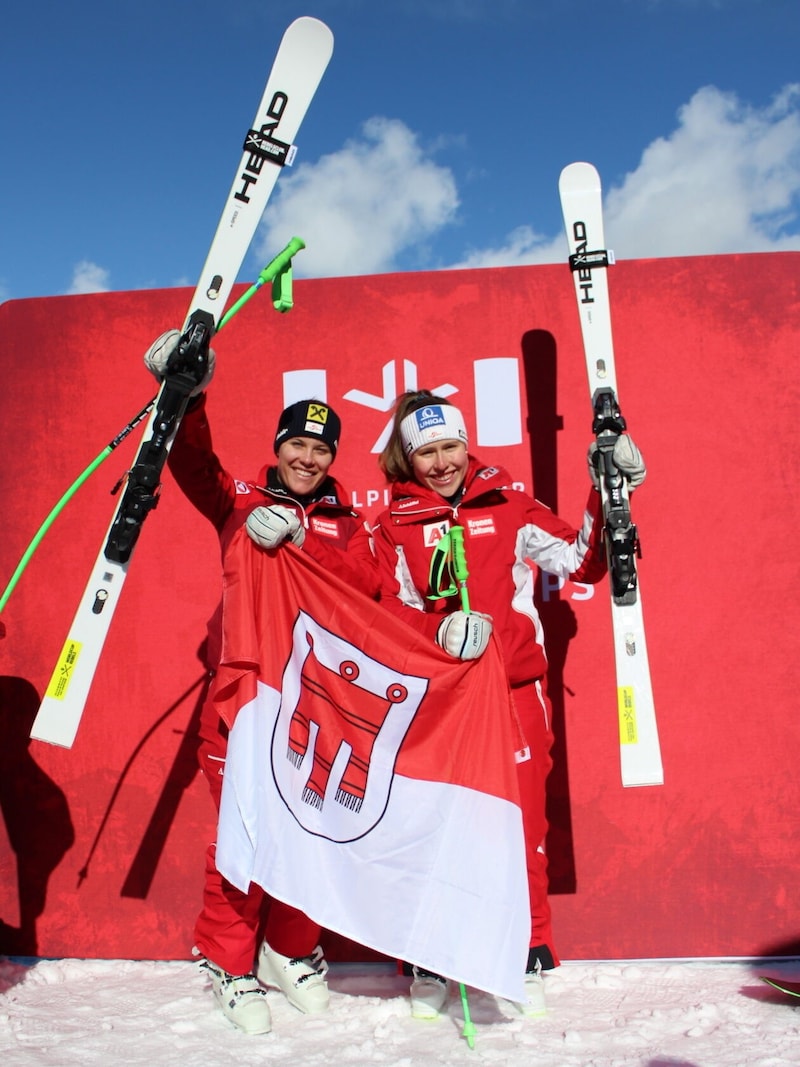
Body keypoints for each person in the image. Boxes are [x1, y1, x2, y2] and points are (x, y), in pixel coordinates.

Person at [371, 390, 646, 1019]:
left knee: (522, 826)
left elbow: (583, 561)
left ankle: (529, 949)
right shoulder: (392, 526)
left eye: (449, 447)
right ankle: (431, 956)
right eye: (426, 453)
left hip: (513, 690)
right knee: (432, 824)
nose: (441, 463)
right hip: (438, 701)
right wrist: (433, 635)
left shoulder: (509, 504)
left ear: (466, 445)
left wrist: (609, 495)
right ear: (406, 460)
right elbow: (386, 610)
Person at [143, 330, 379, 1035]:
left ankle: (290, 947)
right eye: (296, 444)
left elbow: (368, 591)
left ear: (333, 457)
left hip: (320, 706)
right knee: (242, 835)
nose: (307, 457)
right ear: (278, 445)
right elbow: (191, 463)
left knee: (314, 833)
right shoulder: (238, 501)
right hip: (243, 704)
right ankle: (227, 959)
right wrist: (187, 392)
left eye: (321, 448)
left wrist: (309, 546)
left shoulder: (348, 523)